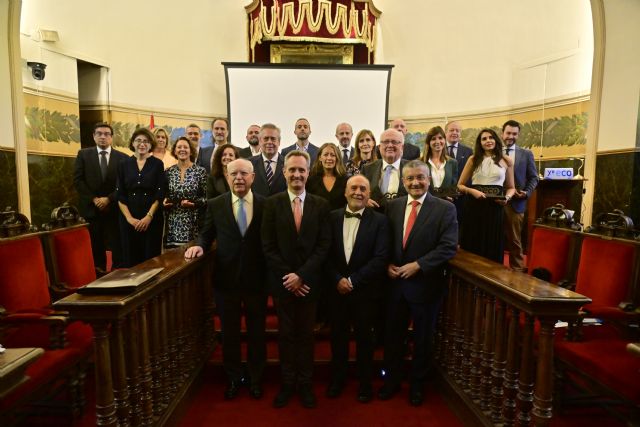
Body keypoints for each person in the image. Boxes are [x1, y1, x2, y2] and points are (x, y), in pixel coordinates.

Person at [185, 159, 267, 401]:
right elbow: (206, 233)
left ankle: (255, 378)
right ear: (227, 177)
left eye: (243, 173)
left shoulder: (266, 204)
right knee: (229, 333)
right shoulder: (216, 204)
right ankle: (233, 378)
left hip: (257, 279)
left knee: (256, 333)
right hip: (226, 279)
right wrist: (199, 247)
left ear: (253, 177)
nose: (239, 178)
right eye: (234, 174)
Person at [379, 160, 457, 406]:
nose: (415, 182)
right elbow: (385, 241)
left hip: (426, 286)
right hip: (394, 286)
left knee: (423, 339)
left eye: (420, 177)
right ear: (403, 181)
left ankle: (417, 386)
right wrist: (386, 264)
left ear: (429, 179)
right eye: (410, 178)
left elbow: (447, 247)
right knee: (392, 338)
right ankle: (391, 382)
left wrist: (419, 265)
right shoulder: (392, 206)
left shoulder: (445, 209)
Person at [261, 150, 331, 409]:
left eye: (301, 170)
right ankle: (288, 383)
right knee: (286, 335)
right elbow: (267, 246)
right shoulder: (272, 203)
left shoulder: (321, 204)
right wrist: (289, 277)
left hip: (310, 283)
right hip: (282, 284)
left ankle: (305, 384)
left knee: (306, 336)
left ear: (308, 172)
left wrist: (302, 275)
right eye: (292, 170)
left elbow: (324, 245)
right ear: (284, 172)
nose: (297, 174)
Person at [325, 175, 389, 403]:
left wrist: (352, 280)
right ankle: (338, 380)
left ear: (369, 193)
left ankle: (365, 384)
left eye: (363, 188)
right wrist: (337, 279)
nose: (358, 192)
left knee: (365, 340)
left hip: (365, 292)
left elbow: (381, 258)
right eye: (354, 188)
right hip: (336, 291)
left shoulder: (380, 221)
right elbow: (325, 254)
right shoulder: (331, 218)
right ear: (345, 192)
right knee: (338, 339)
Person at [73, 122, 128, 272]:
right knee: (95, 246)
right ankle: (98, 277)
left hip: (114, 208)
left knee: (117, 245)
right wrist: (94, 199)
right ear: (93, 136)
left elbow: (124, 184)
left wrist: (108, 199)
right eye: (99, 133)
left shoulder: (123, 158)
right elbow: (78, 180)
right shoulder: (83, 155)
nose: (103, 137)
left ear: (111, 137)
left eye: (106, 134)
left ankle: (118, 277)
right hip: (92, 209)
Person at [457, 128, 516, 263]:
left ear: (496, 140)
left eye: (491, 137)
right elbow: (460, 185)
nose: (488, 141)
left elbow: (512, 188)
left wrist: (506, 198)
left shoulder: (507, 160)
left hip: (495, 207)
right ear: (480, 143)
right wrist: (472, 191)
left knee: (492, 245)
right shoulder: (473, 159)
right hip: (474, 205)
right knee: (473, 243)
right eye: (484, 139)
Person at [116, 128, 166, 267]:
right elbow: (120, 194)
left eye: (146, 141)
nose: (142, 144)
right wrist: (129, 219)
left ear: (151, 144)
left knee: (150, 261)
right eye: (138, 140)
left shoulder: (157, 164)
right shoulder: (123, 164)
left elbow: (160, 194)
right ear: (132, 142)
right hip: (128, 219)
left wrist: (148, 217)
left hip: (152, 219)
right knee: (130, 259)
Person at [502, 120, 539, 272]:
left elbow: (534, 177)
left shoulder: (526, 154)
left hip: (516, 204)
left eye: (514, 134)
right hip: (494, 203)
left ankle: (517, 274)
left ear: (518, 135)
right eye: (508, 133)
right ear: (502, 133)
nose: (511, 136)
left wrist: (526, 192)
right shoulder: (492, 152)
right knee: (494, 239)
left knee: (515, 241)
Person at [162, 137, 207, 248]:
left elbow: (207, 197)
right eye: (179, 147)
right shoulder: (168, 172)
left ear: (191, 151)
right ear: (175, 151)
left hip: (193, 224)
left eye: (185, 147)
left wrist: (194, 203)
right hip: (172, 224)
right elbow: (164, 194)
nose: (182, 149)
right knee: (172, 262)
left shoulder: (200, 171)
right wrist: (163, 201)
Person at [362, 128, 408, 211]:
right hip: (375, 219)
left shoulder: (412, 168)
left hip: (403, 219)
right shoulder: (367, 169)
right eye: (386, 142)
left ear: (402, 147)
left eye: (394, 142)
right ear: (379, 147)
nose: (390, 145)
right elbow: (359, 193)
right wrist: (364, 200)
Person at [445, 121, 472, 232]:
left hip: (462, 197)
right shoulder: (438, 150)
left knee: (460, 227)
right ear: (445, 132)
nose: (455, 133)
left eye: (457, 130)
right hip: (442, 196)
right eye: (451, 130)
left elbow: (471, 174)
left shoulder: (468, 151)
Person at [306, 143, 348, 211]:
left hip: (339, 220)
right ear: (320, 157)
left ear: (337, 158)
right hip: (317, 220)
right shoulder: (311, 179)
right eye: (325, 155)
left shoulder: (345, 179)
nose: (329, 158)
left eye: (333, 155)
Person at [249, 123, 287, 196]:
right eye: (266, 139)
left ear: (279, 142)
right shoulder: (249, 163)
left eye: (273, 139)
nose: (269, 142)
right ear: (260, 142)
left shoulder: (288, 163)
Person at [421, 126, 458, 196]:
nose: (437, 141)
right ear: (429, 142)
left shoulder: (453, 163)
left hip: (446, 204)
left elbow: (453, 187)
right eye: (433, 139)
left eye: (440, 138)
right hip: (426, 203)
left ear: (445, 140)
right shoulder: (420, 162)